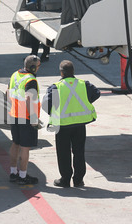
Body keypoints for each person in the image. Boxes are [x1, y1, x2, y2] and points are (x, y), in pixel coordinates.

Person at [42, 60, 100, 188]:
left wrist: (56, 111)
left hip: (62, 125)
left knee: (63, 153)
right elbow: (96, 93)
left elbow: (46, 104)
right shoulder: (83, 85)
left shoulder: (56, 87)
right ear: (73, 72)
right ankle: (78, 180)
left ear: (61, 73)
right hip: (80, 124)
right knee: (79, 152)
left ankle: (65, 179)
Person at [7, 55, 42, 185]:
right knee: (25, 148)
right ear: (33, 67)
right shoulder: (30, 80)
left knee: (15, 143)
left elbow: (8, 92)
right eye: (38, 66)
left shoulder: (15, 75)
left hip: (14, 114)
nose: (38, 68)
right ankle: (22, 176)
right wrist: (34, 119)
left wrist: (10, 109)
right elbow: (28, 98)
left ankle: (13, 173)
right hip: (26, 117)